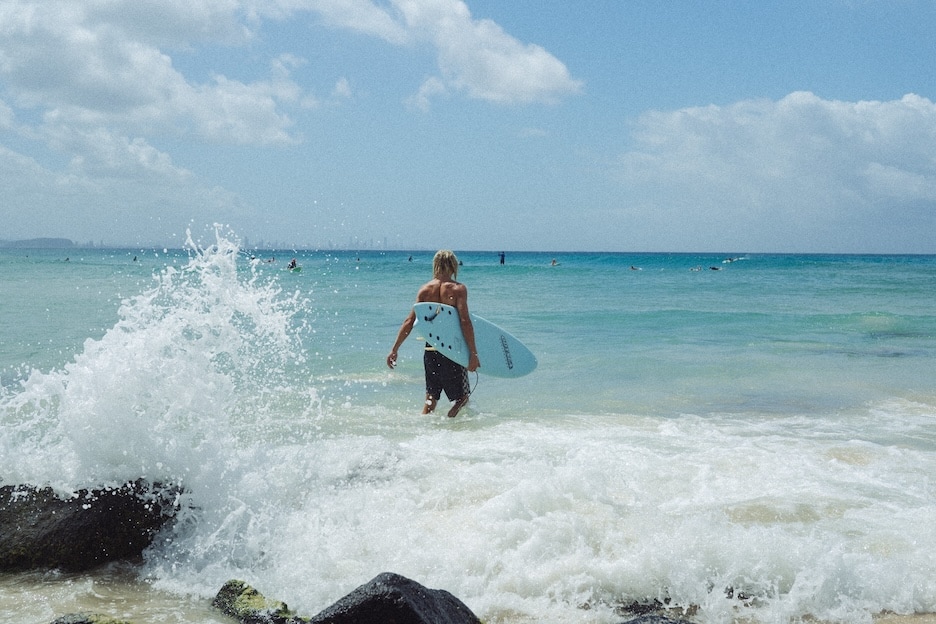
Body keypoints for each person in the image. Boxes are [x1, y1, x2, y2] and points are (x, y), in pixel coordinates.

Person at [387, 250, 481, 418]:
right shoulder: (458, 289)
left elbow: (409, 322)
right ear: (453, 265)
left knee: (430, 399)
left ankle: (425, 431)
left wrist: (394, 349)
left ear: (436, 265)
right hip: (451, 352)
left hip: (430, 350)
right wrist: (473, 353)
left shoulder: (424, 290)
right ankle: (448, 424)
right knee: (462, 399)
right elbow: (465, 322)